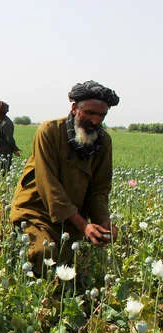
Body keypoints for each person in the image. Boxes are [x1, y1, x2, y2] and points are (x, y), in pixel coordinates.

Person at [10, 80, 120, 267]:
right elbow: (48, 185)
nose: (96, 120)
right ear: (74, 108)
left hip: (71, 217)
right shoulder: (50, 131)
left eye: (102, 115)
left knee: (73, 263)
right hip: (35, 212)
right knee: (44, 254)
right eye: (90, 113)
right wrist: (84, 226)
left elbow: (99, 189)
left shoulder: (103, 142)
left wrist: (103, 221)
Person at [0, 100, 20, 174]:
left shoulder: (7, 123)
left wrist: (15, 150)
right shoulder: (1, 121)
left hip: (2, 155)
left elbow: (9, 139)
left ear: (1, 111)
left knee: (1, 175)